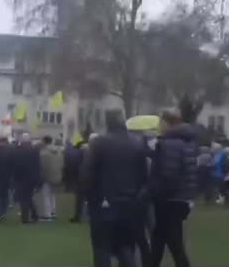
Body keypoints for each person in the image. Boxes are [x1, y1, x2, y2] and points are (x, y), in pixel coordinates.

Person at [84, 115, 149, 267]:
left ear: (108, 124)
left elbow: (88, 174)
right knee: (126, 246)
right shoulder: (137, 144)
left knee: (102, 248)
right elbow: (144, 176)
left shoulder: (99, 143)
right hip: (130, 204)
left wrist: (90, 198)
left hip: (104, 204)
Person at [150, 109, 198, 267]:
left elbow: (168, 175)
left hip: (168, 200)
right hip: (182, 197)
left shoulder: (168, 144)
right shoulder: (188, 142)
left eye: (161, 122)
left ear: (167, 122)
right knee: (159, 240)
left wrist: (154, 193)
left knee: (174, 243)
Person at [11, 133, 41, 224]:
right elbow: (37, 165)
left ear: (22, 141)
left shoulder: (17, 150)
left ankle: (25, 218)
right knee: (28, 197)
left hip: (20, 177)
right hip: (31, 178)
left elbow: (15, 165)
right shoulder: (34, 151)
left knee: (23, 199)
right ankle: (34, 215)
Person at [38, 135, 63, 221]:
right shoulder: (59, 151)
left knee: (46, 196)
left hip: (47, 176)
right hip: (56, 175)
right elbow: (61, 164)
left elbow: (42, 166)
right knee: (52, 195)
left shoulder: (43, 153)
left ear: (44, 142)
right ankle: (53, 212)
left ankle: (47, 215)